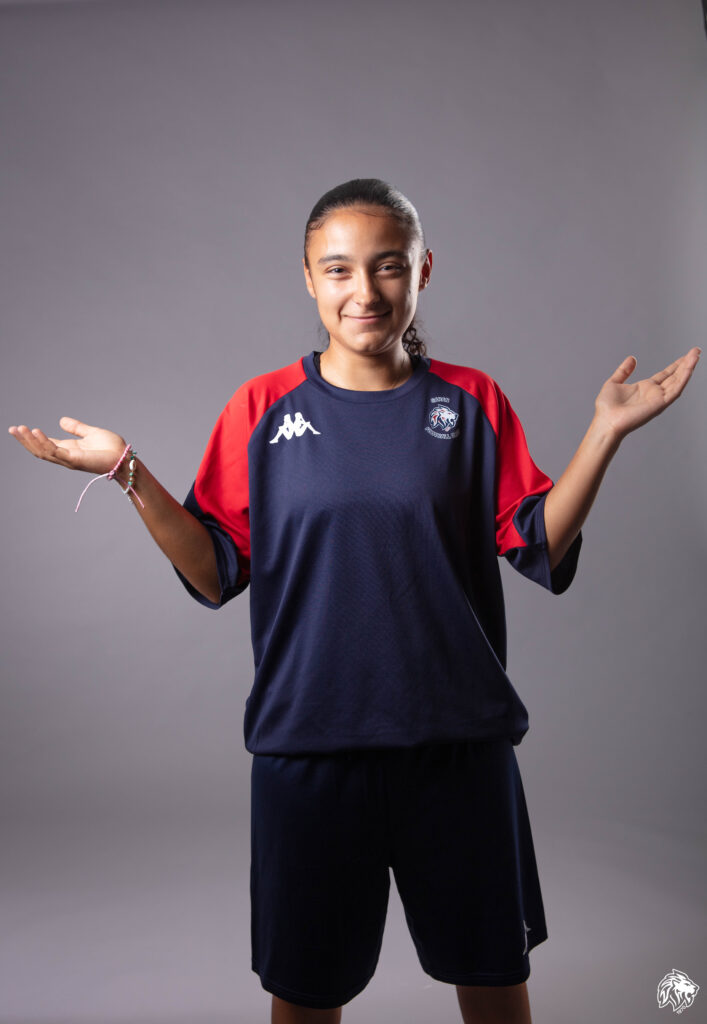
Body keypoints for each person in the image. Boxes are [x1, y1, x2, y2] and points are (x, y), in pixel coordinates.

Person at [8, 178, 700, 1024]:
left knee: (492, 986)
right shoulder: (261, 409)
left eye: (387, 266)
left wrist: (603, 433)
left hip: (458, 750)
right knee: (305, 999)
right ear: (308, 278)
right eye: (337, 269)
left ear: (422, 270)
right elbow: (214, 571)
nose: (363, 291)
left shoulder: (470, 401)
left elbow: (539, 546)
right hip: (309, 756)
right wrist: (127, 472)